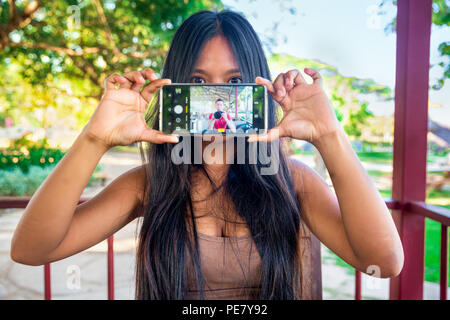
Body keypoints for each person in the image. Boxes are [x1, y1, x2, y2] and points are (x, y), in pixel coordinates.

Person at [10, 10, 404, 300]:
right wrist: (95, 139)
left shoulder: (293, 180)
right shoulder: (149, 185)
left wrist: (329, 134)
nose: (217, 100)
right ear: (174, 88)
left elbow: (384, 262)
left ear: (258, 87)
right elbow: (31, 249)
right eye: (197, 81)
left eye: (234, 81)